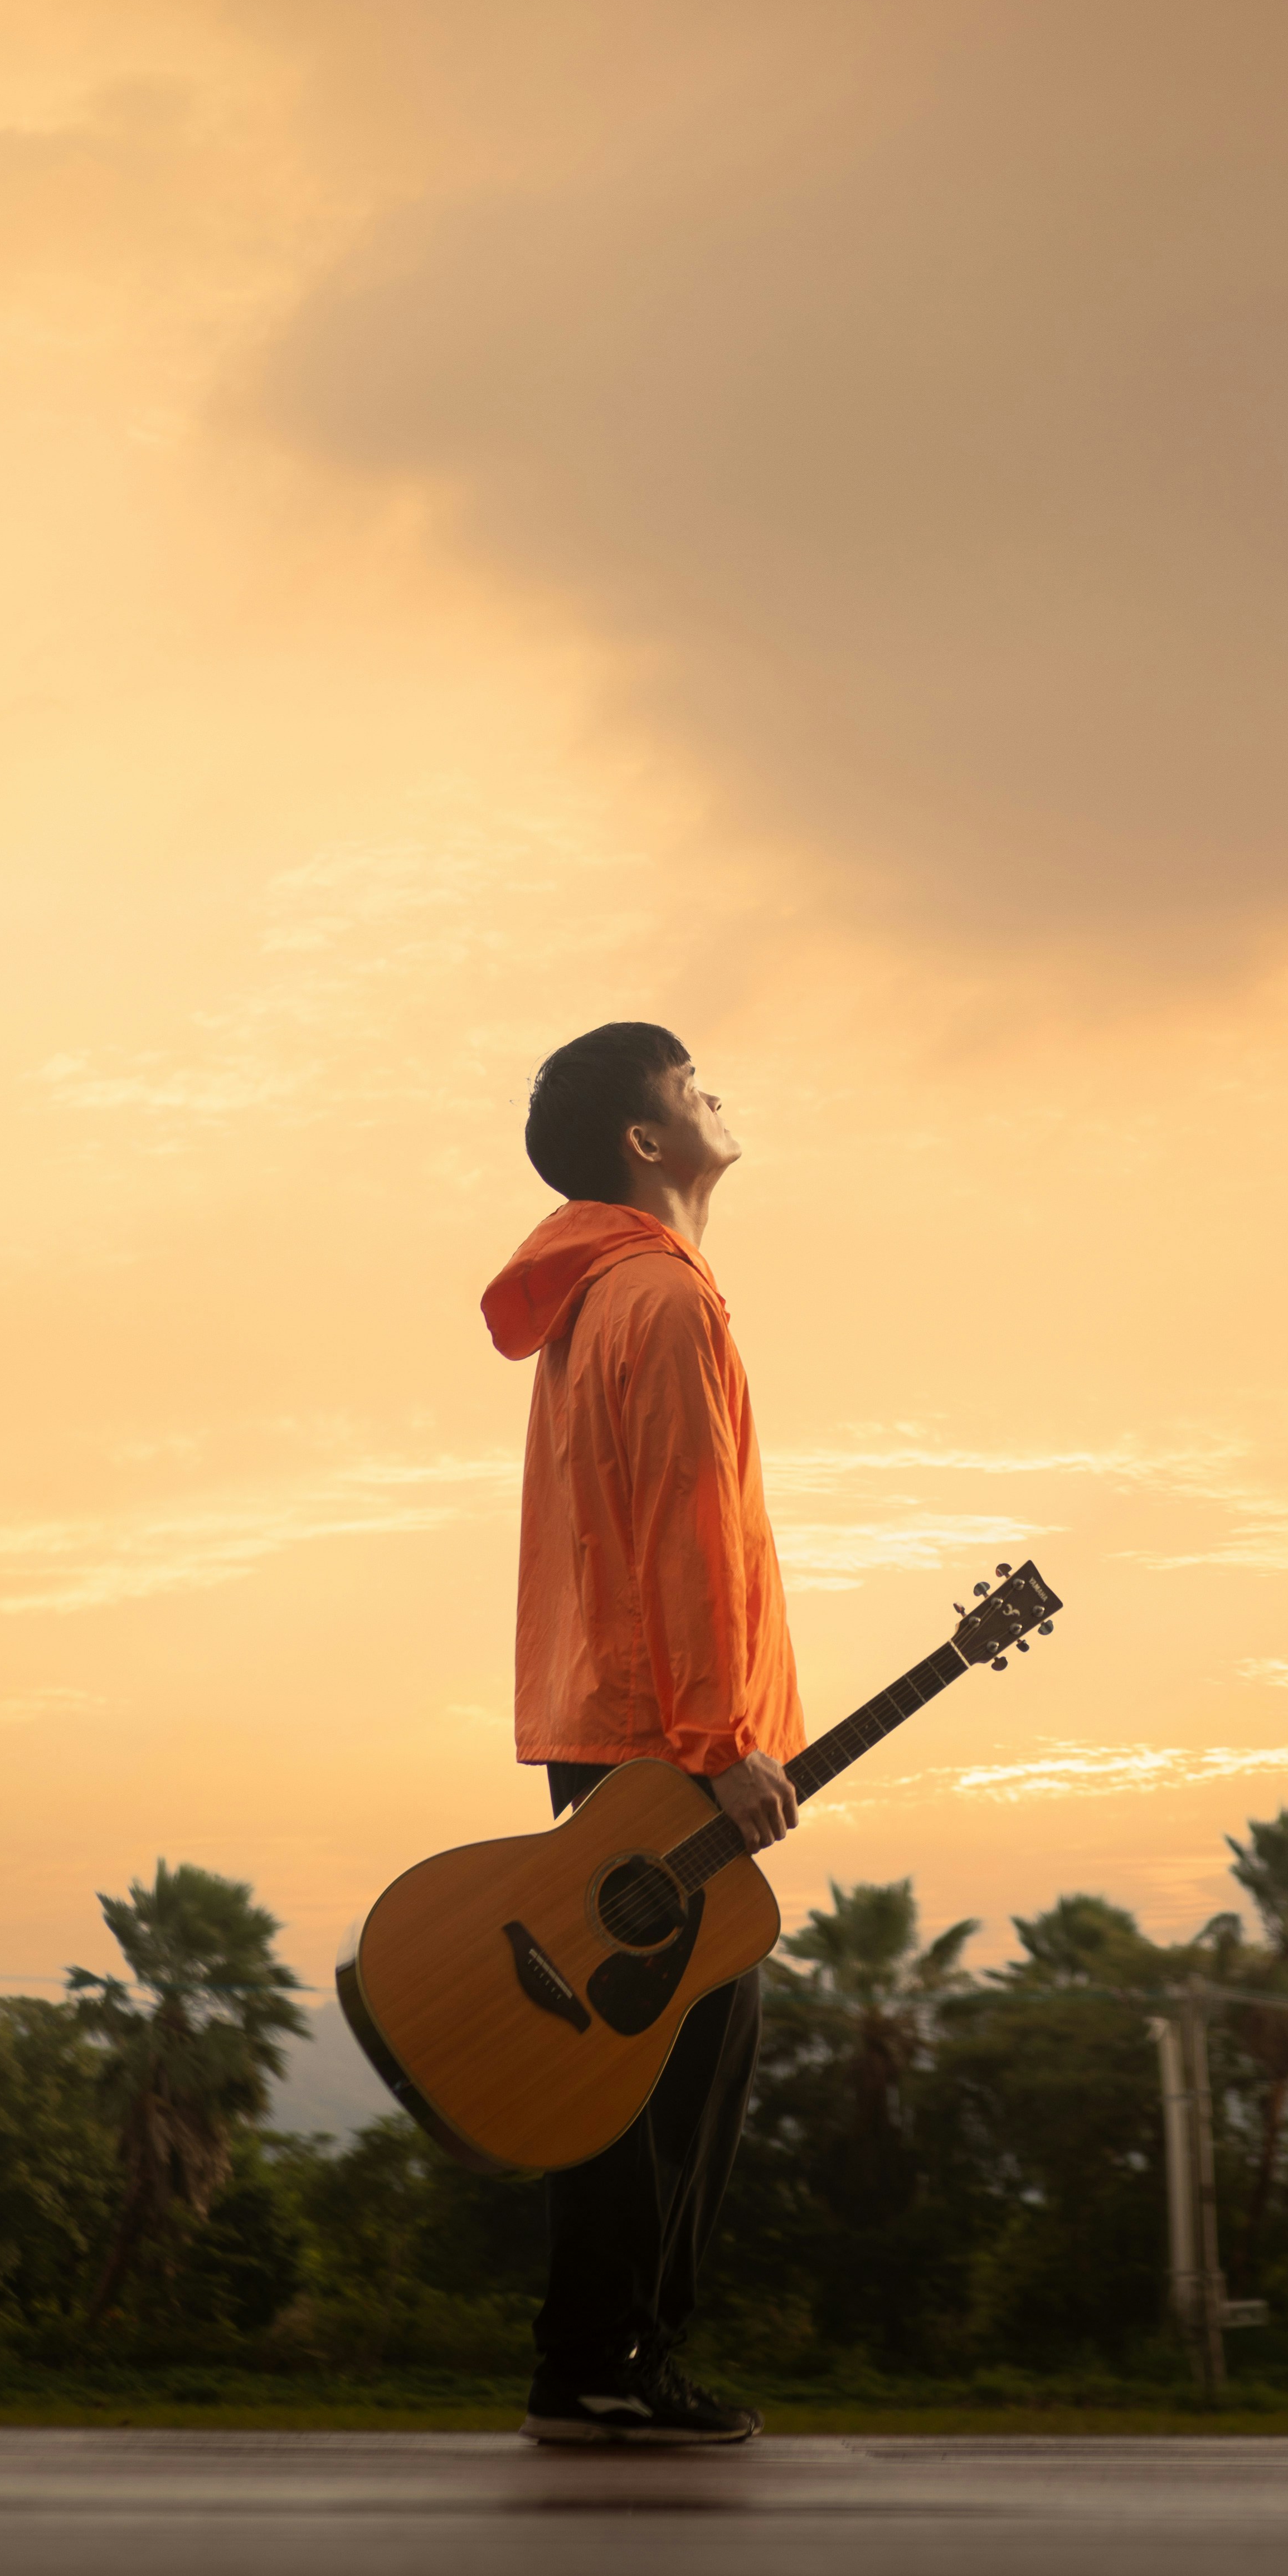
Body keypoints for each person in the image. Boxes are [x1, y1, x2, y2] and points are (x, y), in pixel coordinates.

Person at [480, 1019, 803, 2446]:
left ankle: (594, 2358)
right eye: (691, 1085)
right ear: (644, 1141)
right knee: (673, 2067)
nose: (714, 1095)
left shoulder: (596, 1301)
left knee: (636, 2050)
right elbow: (683, 1542)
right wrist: (721, 1738)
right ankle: (615, 2361)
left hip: (611, 1722)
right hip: (663, 1736)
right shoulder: (659, 1303)